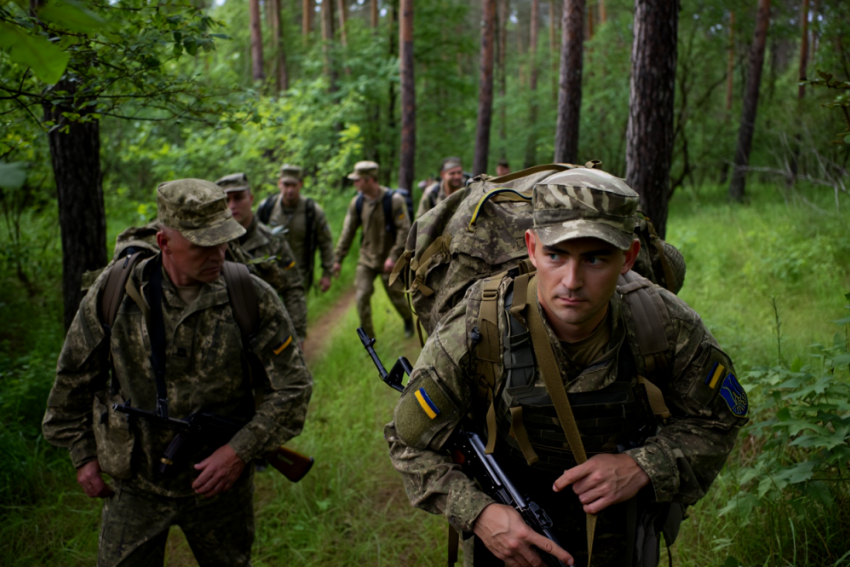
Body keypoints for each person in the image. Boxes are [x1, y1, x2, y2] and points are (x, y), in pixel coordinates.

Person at [385, 169, 747, 567]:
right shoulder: (478, 327)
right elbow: (407, 441)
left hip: (619, 536)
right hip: (509, 540)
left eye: (595, 258)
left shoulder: (663, 324)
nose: (571, 281)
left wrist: (643, 466)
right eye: (556, 255)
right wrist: (480, 514)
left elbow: (719, 420)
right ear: (533, 247)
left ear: (628, 257)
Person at [42, 179, 313, 567]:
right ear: (164, 241)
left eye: (224, 240)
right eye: (203, 244)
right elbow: (73, 377)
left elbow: (293, 387)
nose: (218, 253)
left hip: (220, 486)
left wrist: (239, 452)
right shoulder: (117, 291)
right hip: (136, 485)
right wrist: (83, 455)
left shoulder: (249, 295)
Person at [216, 172, 308, 342]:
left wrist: (298, 335)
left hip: (269, 337)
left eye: (238, 198)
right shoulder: (212, 247)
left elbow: (292, 288)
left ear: (251, 198)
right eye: (226, 201)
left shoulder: (272, 242)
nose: (232, 206)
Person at [333, 160, 414, 339]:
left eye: (358, 180)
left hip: (389, 261)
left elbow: (404, 230)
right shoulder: (357, 203)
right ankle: (369, 339)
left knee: (397, 298)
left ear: (369, 180)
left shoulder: (393, 200)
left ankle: (408, 320)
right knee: (362, 296)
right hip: (367, 260)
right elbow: (348, 232)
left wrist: (393, 257)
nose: (355, 183)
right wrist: (338, 259)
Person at [255, 164, 335, 294]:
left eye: (293, 185)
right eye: (286, 185)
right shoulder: (267, 208)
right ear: (279, 184)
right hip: (270, 279)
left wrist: (327, 273)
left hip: (299, 278)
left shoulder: (312, 211)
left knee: (297, 315)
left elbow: (325, 242)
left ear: (300, 184)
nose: (290, 190)